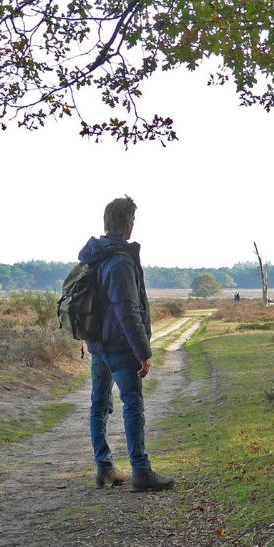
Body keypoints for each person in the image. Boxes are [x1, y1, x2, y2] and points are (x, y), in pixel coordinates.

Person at [77, 196, 175, 492]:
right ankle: (141, 472)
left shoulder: (97, 255)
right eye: (132, 220)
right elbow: (127, 310)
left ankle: (104, 469)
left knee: (100, 405)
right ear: (128, 225)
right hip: (118, 346)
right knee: (132, 405)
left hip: (98, 345)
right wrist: (143, 351)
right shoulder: (120, 260)